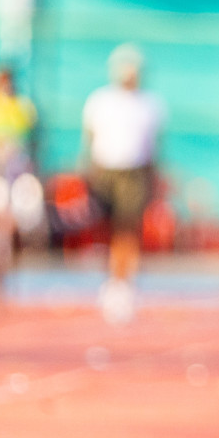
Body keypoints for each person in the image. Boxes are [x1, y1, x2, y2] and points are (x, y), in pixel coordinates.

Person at [82, 44, 164, 324]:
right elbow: (90, 139)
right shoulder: (100, 100)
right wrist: (88, 173)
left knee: (127, 228)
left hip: (134, 172)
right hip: (105, 171)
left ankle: (124, 284)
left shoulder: (150, 104)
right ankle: (112, 280)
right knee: (105, 229)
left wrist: (155, 178)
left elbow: (155, 146)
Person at [0, 66, 36, 300]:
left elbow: (30, 140)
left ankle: (3, 279)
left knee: (10, 226)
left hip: (14, 174)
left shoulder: (22, 107)